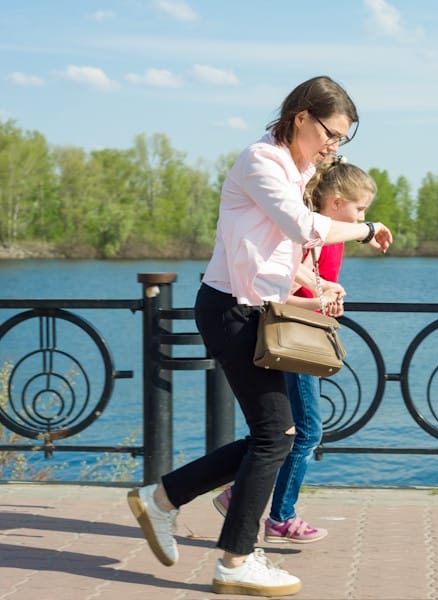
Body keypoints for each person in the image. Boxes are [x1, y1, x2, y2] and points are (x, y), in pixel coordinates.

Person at [126, 75, 392, 597]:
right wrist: (363, 228)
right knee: (277, 435)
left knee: (272, 434)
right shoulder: (260, 162)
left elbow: (278, 254)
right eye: (331, 133)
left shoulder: (298, 168)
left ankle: (162, 501)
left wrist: (316, 282)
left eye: (342, 138)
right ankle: (234, 558)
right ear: (301, 118)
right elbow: (302, 228)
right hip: (229, 309)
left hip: (253, 309)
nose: (334, 145)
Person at [211, 154, 377, 546]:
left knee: (291, 432)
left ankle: (239, 493)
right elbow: (279, 294)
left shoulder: (324, 237)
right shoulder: (310, 238)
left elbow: (310, 285)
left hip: (302, 338)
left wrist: (324, 296)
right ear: (335, 201)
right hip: (293, 341)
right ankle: (280, 516)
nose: (362, 217)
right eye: (360, 208)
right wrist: (319, 302)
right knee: (306, 432)